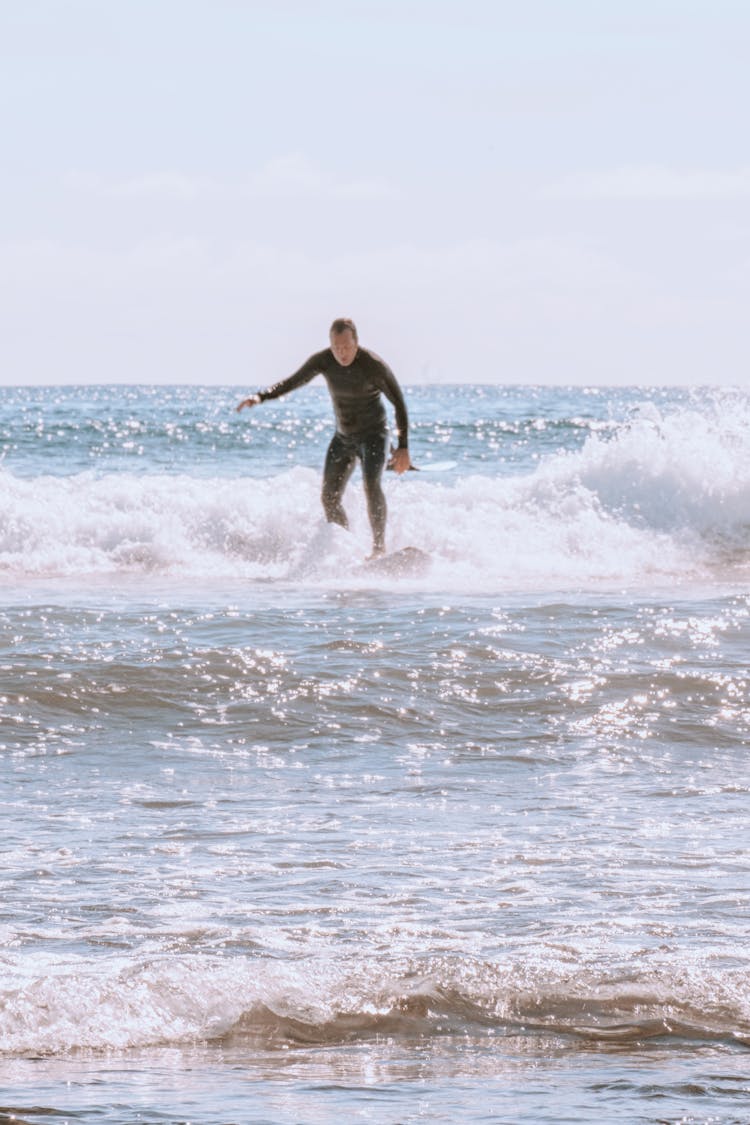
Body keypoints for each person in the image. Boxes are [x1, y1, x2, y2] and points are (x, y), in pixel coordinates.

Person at [237, 318, 412, 557]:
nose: (341, 353)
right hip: (343, 438)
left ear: (357, 343)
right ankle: (345, 546)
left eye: (347, 347)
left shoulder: (373, 366)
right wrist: (260, 397)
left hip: (374, 435)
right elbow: (293, 381)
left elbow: (399, 404)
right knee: (329, 497)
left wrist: (403, 447)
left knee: (371, 486)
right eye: (336, 347)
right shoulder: (324, 360)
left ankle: (379, 549)